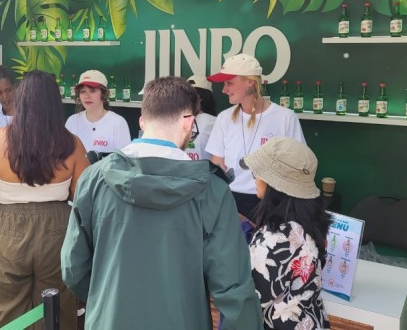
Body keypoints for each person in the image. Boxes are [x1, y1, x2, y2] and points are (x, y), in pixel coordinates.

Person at [61, 76, 264, 330]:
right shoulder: (212, 190)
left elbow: (73, 267)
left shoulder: (93, 179)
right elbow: (234, 289)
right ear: (188, 122)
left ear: (142, 122)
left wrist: (108, 296)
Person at [0, 70, 90, 330]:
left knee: (7, 305)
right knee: (57, 304)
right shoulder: (72, 144)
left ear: (21, 100)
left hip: (6, 230)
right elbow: (82, 196)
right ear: (55, 103)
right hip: (57, 229)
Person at [244, 137, 331, 329]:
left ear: (274, 184)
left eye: (258, 172)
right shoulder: (310, 223)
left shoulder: (272, 242)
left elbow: (251, 301)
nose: (255, 177)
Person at [205, 53, 305, 220]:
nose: (224, 90)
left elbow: (298, 165)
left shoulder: (285, 118)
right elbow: (217, 165)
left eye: (229, 83)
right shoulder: (224, 118)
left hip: (272, 202)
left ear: (250, 82)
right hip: (230, 199)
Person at [65, 69, 131, 154]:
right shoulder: (72, 121)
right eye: (83, 91)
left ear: (104, 94)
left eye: (92, 91)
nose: (87, 96)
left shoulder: (118, 123)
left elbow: (124, 159)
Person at [185, 75, 217, 160]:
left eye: (191, 96)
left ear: (202, 98)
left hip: (205, 168)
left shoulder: (213, 122)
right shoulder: (177, 120)